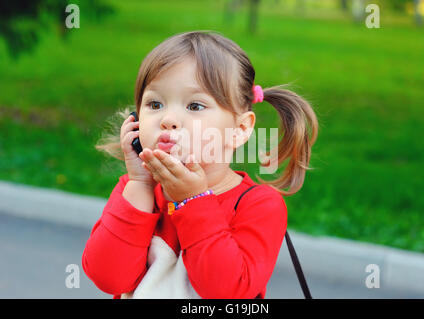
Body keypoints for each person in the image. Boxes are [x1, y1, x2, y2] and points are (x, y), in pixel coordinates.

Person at [82, 30, 319, 299]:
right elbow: (109, 278)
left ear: (240, 129)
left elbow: (227, 291)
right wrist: (139, 185)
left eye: (194, 106)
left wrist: (193, 200)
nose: (168, 119)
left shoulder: (259, 205)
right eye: (155, 103)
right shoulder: (135, 191)